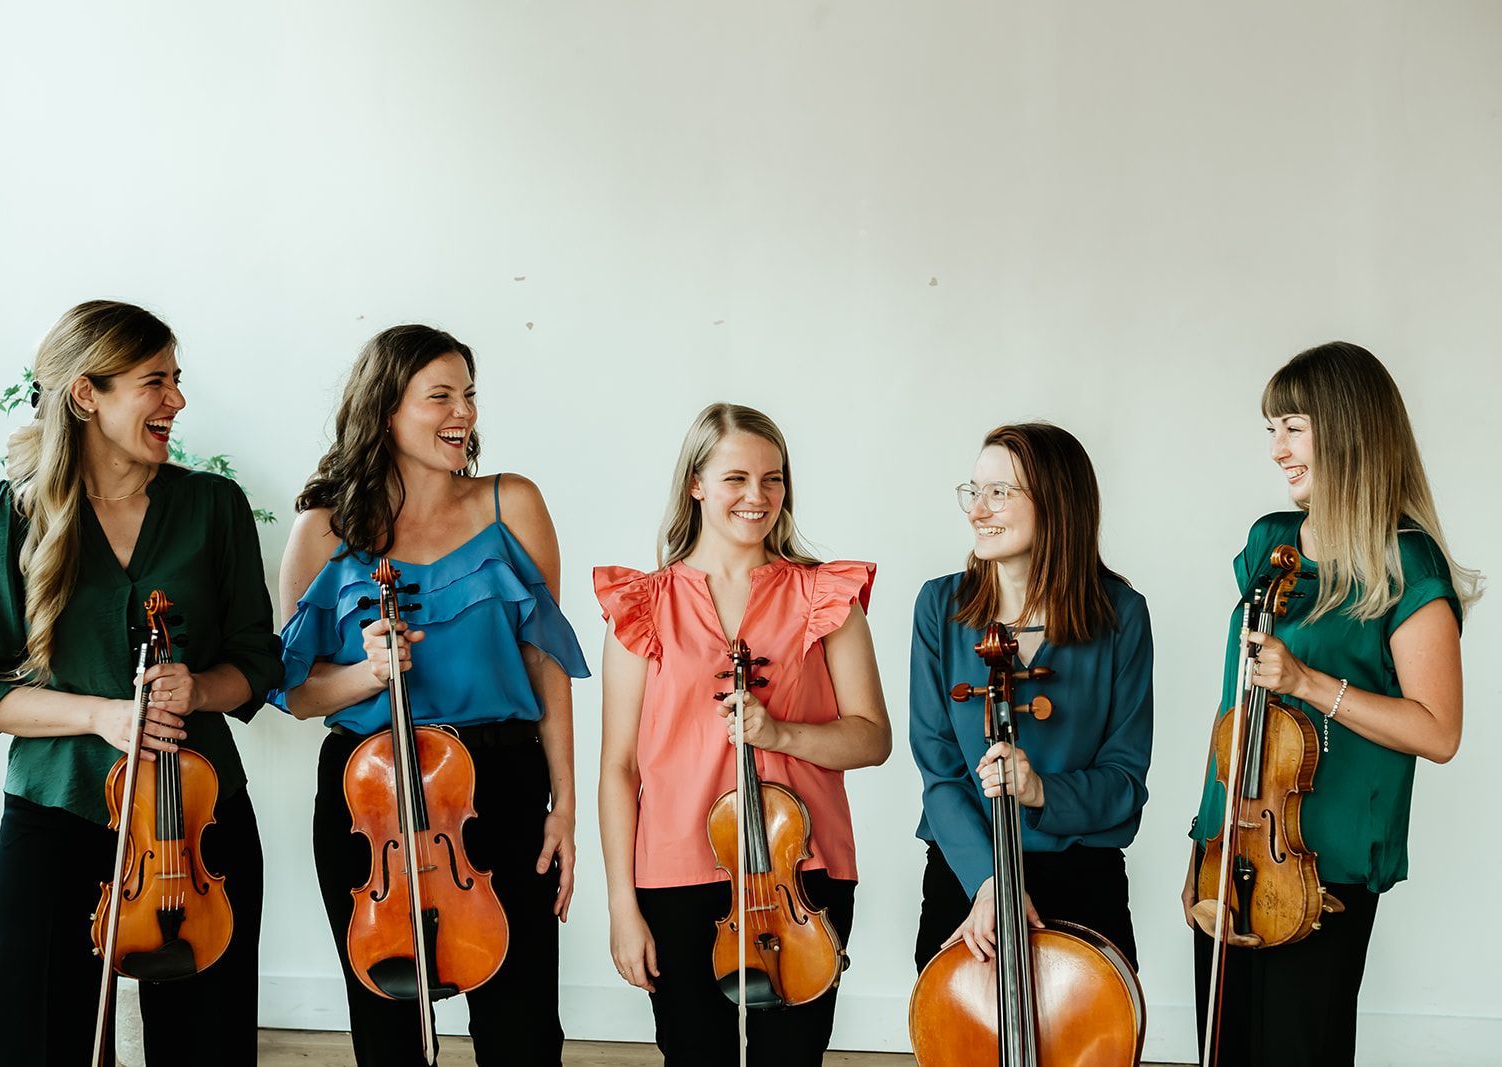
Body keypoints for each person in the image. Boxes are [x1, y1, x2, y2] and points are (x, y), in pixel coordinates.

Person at [0, 300, 280, 1066]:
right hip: (57, 818)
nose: (177, 399)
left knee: (210, 1046)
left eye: (177, 379)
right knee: (39, 1042)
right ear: (87, 394)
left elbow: (257, 661)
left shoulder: (213, 506)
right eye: (155, 381)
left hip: (200, 825)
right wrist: (103, 715)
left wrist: (200, 690)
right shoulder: (6, 514)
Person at [273, 323, 588, 1065]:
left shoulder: (512, 503)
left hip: (502, 783)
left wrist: (565, 804)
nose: (464, 414)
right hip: (371, 792)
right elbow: (298, 692)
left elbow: (545, 661)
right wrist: (367, 674)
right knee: (389, 1027)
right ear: (385, 409)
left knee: (522, 1029)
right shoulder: (322, 531)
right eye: (440, 396)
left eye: (469, 395)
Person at [1185, 342, 1482, 1067]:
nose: (1277, 449)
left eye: (1294, 427)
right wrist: (1205, 840)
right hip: (1233, 846)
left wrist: (1309, 682)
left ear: (1348, 431)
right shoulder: (1271, 542)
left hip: (1322, 864)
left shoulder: (1406, 562)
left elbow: (1439, 731)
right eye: (1272, 429)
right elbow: (1237, 704)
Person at [595, 402, 890, 1066]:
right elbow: (619, 767)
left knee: (793, 1057)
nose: (757, 496)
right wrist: (621, 905)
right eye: (736, 478)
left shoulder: (824, 596)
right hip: (676, 870)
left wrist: (779, 733)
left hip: (800, 866)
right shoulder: (643, 605)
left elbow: (872, 739)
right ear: (696, 484)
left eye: (772, 478)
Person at [911, 422, 1151, 974]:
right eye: (974, 491)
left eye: (999, 492)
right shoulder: (940, 607)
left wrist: (1042, 790)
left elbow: (1124, 781)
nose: (977, 511)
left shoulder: (1121, 616)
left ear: (1057, 502)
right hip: (968, 875)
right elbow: (940, 772)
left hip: (1082, 881)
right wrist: (989, 881)